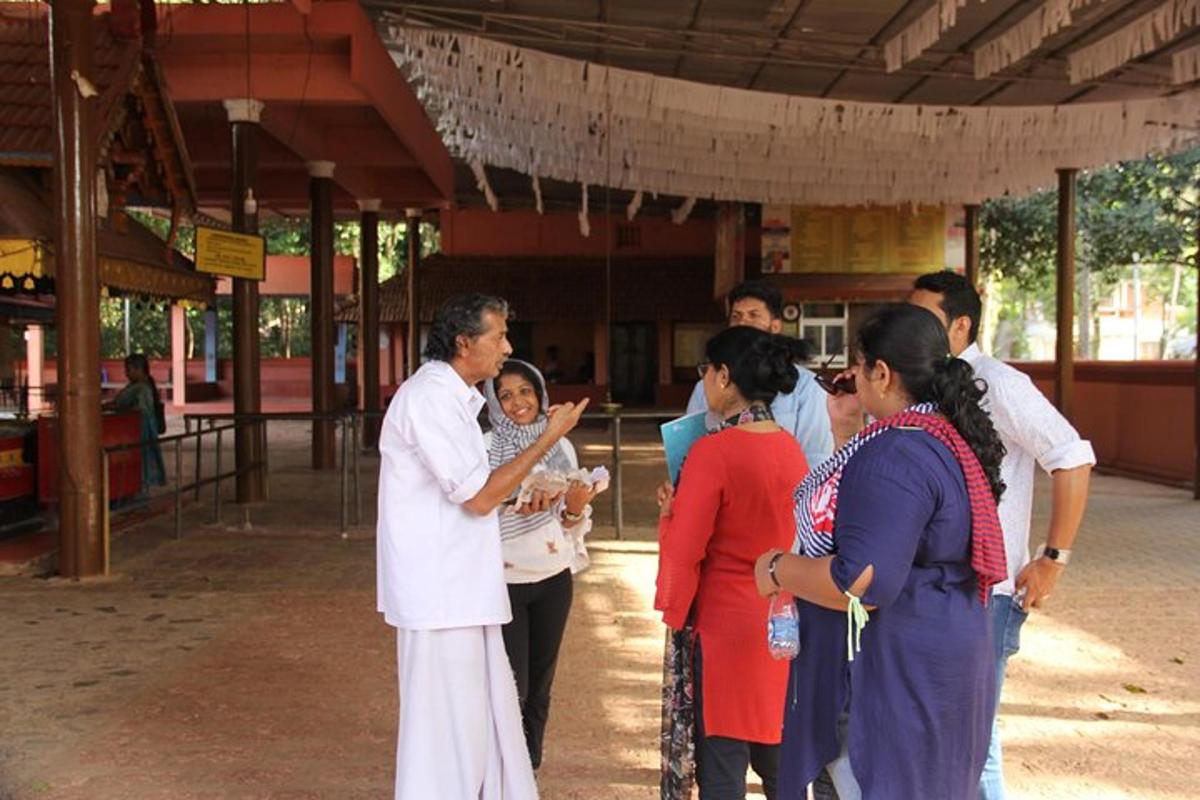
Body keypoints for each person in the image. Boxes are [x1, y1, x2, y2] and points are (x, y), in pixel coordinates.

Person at [754, 304, 1009, 799]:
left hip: (894, 669)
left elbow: (860, 582)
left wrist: (777, 568)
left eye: (858, 367)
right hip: (945, 651)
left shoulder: (893, 453)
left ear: (883, 373)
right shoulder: (943, 434)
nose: (851, 380)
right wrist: (846, 430)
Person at [376, 293, 588, 800]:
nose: (507, 346)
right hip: (439, 594)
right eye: (498, 336)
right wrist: (548, 436)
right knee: (443, 729)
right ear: (463, 342)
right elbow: (477, 497)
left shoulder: (455, 401)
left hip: (463, 589)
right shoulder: (429, 398)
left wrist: (536, 493)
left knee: (476, 720)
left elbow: (484, 491)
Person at [910, 271, 1094, 800]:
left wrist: (1053, 558)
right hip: (934, 590)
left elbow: (1072, 456)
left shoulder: (1000, 384)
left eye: (926, 318)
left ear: (961, 324)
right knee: (947, 736)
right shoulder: (922, 385)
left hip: (986, 593)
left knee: (975, 742)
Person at [656, 326, 810, 800]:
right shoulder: (790, 447)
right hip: (782, 613)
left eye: (707, 370)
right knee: (779, 758)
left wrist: (669, 517)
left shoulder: (713, 452)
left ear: (723, 376)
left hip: (725, 625)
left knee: (722, 766)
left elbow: (686, 549)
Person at [483, 359, 597, 771]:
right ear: (492, 404)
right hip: (506, 580)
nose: (518, 403)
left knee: (541, 684)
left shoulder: (560, 445)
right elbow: (473, 514)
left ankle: (530, 763)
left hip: (553, 578)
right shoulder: (484, 447)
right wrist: (513, 508)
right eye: (506, 395)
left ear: (540, 394)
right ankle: (506, 766)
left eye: (525, 392)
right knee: (512, 684)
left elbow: (568, 525)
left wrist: (574, 508)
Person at [686, 280, 833, 467]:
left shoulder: (807, 387)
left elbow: (815, 459)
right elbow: (688, 450)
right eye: (736, 317)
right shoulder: (707, 383)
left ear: (775, 326)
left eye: (753, 315)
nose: (743, 324)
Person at [105, 353, 165, 491]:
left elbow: (139, 410)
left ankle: (140, 492)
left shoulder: (142, 388)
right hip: (136, 430)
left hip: (140, 430)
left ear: (138, 369)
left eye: (128, 369)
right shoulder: (136, 386)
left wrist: (119, 408)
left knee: (141, 463)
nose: (126, 373)